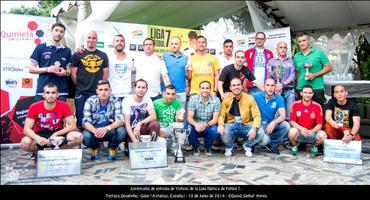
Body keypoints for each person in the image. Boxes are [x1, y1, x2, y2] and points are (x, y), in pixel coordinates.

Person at [20, 83, 83, 166]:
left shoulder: (64, 105)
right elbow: (26, 129)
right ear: (43, 95)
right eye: (48, 92)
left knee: (78, 137)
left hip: (57, 133)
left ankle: (56, 152)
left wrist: (55, 134)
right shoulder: (34, 107)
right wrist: (38, 138)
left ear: (57, 94)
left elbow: (72, 125)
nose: (50, 95)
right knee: (25, 143)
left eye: (53, 93)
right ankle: (38, 154)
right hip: (40, 134)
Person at [70, 30, 109, 129]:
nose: (91, 40)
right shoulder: (77, 54)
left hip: (97, 94)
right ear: (85, 39)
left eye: (93, 38)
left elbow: (105, 74)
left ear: (97, 40)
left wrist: (100, 89)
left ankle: (94, 143)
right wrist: (80, 85)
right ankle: (79, 143)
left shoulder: (103, 55)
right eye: (89, 37)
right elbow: (73, 73)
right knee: (80, 120)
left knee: (97, 121)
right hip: (81, 93)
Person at [218, 77, 264, 157]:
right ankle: (229, 147)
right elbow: (221, 115)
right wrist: (221, 125)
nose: (236, 87)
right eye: (234, 85)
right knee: (224, 130)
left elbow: (257, 116)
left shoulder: (249, 98)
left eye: (238, 85)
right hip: (232, 124)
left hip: (246, 125)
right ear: (230, 88)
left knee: (260, 132)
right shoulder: (226, 99)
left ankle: (247, 146)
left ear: (242, 86)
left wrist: (254, 128)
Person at [82, 80, 126, 160]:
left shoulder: (116, 101)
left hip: (110, 129)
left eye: (106, 89)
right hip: (95, 128)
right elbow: (86, 122)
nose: (103, 92)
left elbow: (120, 120)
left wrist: (106, 128)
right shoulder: (90, 101)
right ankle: (95, 147)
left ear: (110, 90)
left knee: (122, 131)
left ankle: (112, 148)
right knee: (85, 136)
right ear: (97, 91)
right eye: (101, 90)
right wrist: (94, 131)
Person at [29, 22, 72, 102]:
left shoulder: (67, 50)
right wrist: (47, 69)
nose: (58, 33)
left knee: (60, 115)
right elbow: (31, 69)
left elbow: (69, 72)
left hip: (61, 92)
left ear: (63, 34)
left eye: (61, 31)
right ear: (51, 31)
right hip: (43, 92)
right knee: (40, 114)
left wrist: (64, 72)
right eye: (56, 30)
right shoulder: (40, 47)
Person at [294, 32, 332, 108]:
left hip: (316, 88)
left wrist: (314, 75)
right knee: (301, 114)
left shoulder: (319, 53)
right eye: (300, 41)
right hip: (301, 89)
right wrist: (296, 87)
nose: (302, 43)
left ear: (309, 41)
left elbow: (329, 67)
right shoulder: (296, 56)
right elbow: (297, 73)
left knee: (318, 114)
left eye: (304, 40)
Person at [252, 78, 290, 154]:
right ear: (264, 86)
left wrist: (273, 123)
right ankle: (253, 142)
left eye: (272, 85)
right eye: (268, 85)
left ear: (275, 87)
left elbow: (283, 116)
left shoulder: (279, 98)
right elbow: (242, 97)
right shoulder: (255, 96)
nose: (270, 88)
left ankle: (273, 143)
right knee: (265, 140)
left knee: (286, 125)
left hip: (269, 124)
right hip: (258, 124)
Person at [288, 84, 327, 156]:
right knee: (292, 131)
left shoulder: (317, 106)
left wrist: (312, 131)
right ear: (301, 93)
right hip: (300, 132)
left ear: (312, 94)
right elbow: (292, 121)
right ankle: (295, 145)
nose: (307, 95)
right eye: (305, 92)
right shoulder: (295, 104)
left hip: (312, 132)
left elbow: (320, 124)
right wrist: (302, 129)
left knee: (323, 135)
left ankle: (314, 146)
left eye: (309, 93)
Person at [187, 81, 220, 156]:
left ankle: (207, 147)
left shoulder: (216, 100)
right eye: (203, 88)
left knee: (215, 130)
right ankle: (196, 146)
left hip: (208, 125)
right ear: (199, 89)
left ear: (210, 90)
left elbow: (215, 119)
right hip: (195, 126)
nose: (205, 90)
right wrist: (196, 125)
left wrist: (206, 124)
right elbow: (189, 118)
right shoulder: (193, 99)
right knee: (187, 129)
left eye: (207, 88)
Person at [122, 79, 161, 144]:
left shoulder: (147, 99)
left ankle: (152, 145)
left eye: (143, 87)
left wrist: (139, 124)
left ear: (147, 89)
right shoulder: (127, 100)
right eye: (139, 87)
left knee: (155, 124)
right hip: (131, 130)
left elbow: (153, 116)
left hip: (141, 127)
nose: (141, 90)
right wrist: (134, 139)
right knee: (133, 152)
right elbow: (127, 123)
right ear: (134, 89)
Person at [267, 41, 296, 121]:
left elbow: (292, 76)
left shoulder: (291, 61)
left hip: (289, 91)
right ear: (276, 49)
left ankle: (289, 132)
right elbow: (269, 76)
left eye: (284, 47)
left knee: (289, 115)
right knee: (276, 114)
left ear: (286, 49)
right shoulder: (271, 61)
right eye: (281, 47)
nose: (283, 49)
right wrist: (275, 86)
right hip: (276, 91)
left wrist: (282, 84)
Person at [154, 85, 184, 155]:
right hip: (160, 130)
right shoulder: (156, 103)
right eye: (168, 94)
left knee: (179, 125)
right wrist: (158, 131)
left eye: (173, 94)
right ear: (164, 93)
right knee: (161, 150)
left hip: (171, 128)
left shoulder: (177, 102)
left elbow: (177, 117)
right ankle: (167, 147)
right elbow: (153, 121)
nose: (170, 96)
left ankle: (177, 149)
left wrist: (179, 118)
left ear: (175, 95)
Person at [163, 37, 188, 108]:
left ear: (180, 45)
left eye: (176, 44)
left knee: (181, 115)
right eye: (172, 44)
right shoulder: (164, 56)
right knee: (167, 115)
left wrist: (188, 85)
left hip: (181, 91)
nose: (174, 45)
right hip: (167, 91)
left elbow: (188, 74)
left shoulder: (185, 58)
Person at [107, 34, 135, 101]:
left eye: (122, 41)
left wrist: (133, 91)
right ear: (113, 43)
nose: (119, 43)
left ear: (124, 44)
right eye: (117, 41)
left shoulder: (131, 58)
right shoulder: (107, 57)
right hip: (112, 94)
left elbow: (133, 76)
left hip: (127, 95)